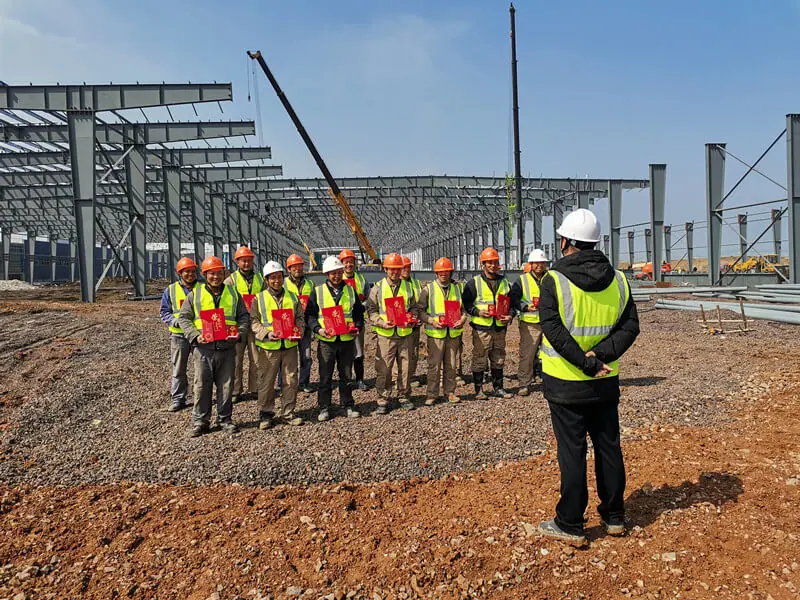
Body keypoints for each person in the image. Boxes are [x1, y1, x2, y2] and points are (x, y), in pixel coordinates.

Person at [536, 208, 640, 545]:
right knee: (609, 447)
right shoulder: (620, 280)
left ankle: (570, 523)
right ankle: (614, 516)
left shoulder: (554, 279)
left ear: (565, 241)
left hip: (566, 384)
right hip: (605, 382)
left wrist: (584, 362)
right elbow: (630, 327)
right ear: (596, 243)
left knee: (572, 451)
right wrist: (601, 357)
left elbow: (553, 329)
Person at [178, 256, 250, 438]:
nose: (216, 277)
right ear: (205, 275)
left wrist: (239, 333)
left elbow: (243, 317)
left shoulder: (233, 294)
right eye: (212, 274)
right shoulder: (195, 295)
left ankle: (225, 419)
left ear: (224, 273)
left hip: (227, 348)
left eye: (219, 273)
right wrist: (195, 335)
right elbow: (184, 318)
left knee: (226, 386)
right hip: (204, 349)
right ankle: (200, 421)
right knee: (202, 386)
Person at [306, 256, 365, 421]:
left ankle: (347, 404)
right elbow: (310, 316)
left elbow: (358, 313)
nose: (336, 276)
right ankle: (324, 407)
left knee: (346, 375)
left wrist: (357, 328)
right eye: (333, 273)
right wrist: (318, 329)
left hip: (346, 340)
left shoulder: (350, 290)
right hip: (327, 341)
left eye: (339, 272)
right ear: (327, 274)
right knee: (325, 376)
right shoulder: (317, 292)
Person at [250, 261, 306, 430]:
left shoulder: (292, 296)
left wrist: (299, 331)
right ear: (266, 280)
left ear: (283, 277)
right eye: (272, 278)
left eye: (279, 277)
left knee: (291, 380)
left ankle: (288, 413)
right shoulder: (258, 299)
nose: (276, 280)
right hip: (269, 347)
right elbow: (254, 321)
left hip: (289, 346)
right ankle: (266, 414)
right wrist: (266, 333)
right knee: (266, 381)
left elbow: (300, 318)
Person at [365, 252, 418, 414]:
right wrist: (381, 322)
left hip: (404, 334)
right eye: (391, 269)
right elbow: (371, 310)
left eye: (397, 269)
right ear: (385, 269)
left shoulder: (408, 287)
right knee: (385, 368)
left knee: (406, 366)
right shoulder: (378, 288)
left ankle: (404, 396)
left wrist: (412, 317)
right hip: (385, 335)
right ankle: (383, 398)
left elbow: (414, 307)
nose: (394, 272)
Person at [462, 247, 514, 399]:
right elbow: (466, 304)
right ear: (482, 264)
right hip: (481, 328)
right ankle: (478, 390)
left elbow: (512, 303)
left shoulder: (504, 282)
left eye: (495, 262)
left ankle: (499, 388)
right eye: (489, 262)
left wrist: (510, 316)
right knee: (479, 357)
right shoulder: (474, 283)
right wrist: (478, 312)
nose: (492, 265)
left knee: (498, 357)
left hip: (499, 327)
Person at [416, 257, 467, 405]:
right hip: (436, 334)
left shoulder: (458, 288)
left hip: (453, 333)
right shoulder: (428, 289)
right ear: (436, 273)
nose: (443, 274)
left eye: (446, 271)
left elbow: (464, 310)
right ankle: (432, 394)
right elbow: (421, 311)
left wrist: (462, 320)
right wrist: (432, 321)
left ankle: (450, 392)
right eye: (440, 271)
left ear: (450, 272)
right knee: (434, 365)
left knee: (451, 365)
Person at [159, 256, 201, 412]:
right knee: (179, 369)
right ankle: (178, 399)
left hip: (198, 335)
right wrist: (174, 321)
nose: (190, 274)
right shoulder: (171, 290)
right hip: (179, 336)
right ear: (180, 273)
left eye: (192, 271)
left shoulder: (203, 289)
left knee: (201, 369)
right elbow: (164, 312)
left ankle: (200, 397)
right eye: (187, 272)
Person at [224, 246, 264, 403]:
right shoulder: (230, 280)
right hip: (237, 325)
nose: (246, 263)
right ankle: (235, 390)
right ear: (237, 262)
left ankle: (254, 388)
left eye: (249, 260)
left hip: (254, 323)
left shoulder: (261, 279)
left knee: (256, 358)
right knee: (235, 359)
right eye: (243, 261)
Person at [510, 249, 548, 397]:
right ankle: (524, 383)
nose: (539, 265)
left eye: (542, 263)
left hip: (548, 321)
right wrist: (524, 307)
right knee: (527, 354)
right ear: (530, 264)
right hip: (530, 323)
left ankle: (549, 381)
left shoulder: (550, 278)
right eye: (536, 263)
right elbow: (514, 298)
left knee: (549, 354)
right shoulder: (522, 280)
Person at [284, 254, 315, 393]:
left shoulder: (310, 284)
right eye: (294, 266)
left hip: (306, 326)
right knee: (286, 357)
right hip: (289, 326)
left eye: (299, 266)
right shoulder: (283, 283)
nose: (297, 268)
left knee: (306, 356)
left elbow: (314, 304)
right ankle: (284, 383)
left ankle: (304, 382)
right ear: (289, 269)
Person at [339, 249, 370, 390]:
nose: (348, 265)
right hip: (341, 323)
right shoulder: (338, 279)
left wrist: (362, 307)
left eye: (351, 262)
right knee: (343, 353)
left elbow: (369, 299)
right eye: (345, 262)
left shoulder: (361, 280)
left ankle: (359, 379)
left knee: (359, 353)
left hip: (357, 322)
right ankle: (346, 379)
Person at [401, 255, 424, 389]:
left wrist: (420, 317)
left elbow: (421, 303)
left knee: (413, 351)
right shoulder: (396, 284)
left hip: (415, 324)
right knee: (401, 351)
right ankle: (399, 377)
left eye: (408, 267)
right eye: (404, 267)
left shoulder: (415, 283)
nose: (407, 269)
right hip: (401, 325)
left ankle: (411, 375)